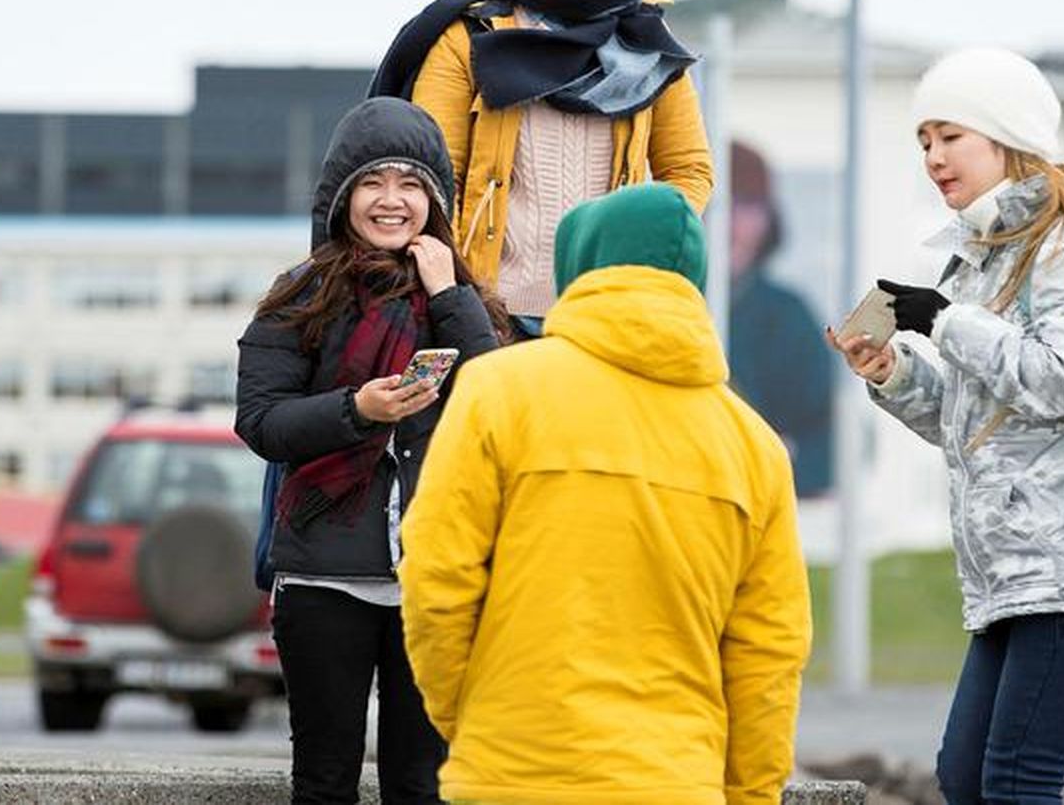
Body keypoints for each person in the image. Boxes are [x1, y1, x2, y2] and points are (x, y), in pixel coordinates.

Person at [828, 47, 1064, 805]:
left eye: (949, 135)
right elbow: (976, 423)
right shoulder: (983, 255)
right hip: (1016, 579)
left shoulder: (1061, 239)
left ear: (1004, 136)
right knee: (968, 780)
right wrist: (894, 371)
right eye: (923, 139)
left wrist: (944, 318)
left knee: (1016, 783)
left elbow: (1062, 381)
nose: (932, 156)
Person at [400, 183, 811, 805]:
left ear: (581, 270)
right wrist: (748, 794)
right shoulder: (753, 446)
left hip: (516, 769)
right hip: (676, 781)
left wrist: (475, 716)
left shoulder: (498, 391)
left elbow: (436, 577)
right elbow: (769, 652)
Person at [235, 97, 506, 805]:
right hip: (325, 576)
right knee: (324, 781)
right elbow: (262, 422)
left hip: (434, 580)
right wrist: (358, 411)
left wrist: (449, 294)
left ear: (435, 199)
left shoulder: (466, 299)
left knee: (422, 785)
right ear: (343, 196)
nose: (392, 201)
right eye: (374, 183)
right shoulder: (298, 296)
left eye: (411, 184)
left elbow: (502, 403)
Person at [368, 0, 712, 335]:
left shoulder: (647, 42)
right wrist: (451, 287)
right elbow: (436, 173)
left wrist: (641, 248)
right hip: (485, 311)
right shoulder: (469, 35)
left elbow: (688, 171)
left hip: (606, 314)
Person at [728, 141, 834, 495]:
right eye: (718, 204)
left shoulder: (787, 318)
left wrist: (780, 462)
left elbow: (833, 445)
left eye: (747, 206)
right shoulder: (655, 306)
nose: (730, 224)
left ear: (768, 220)